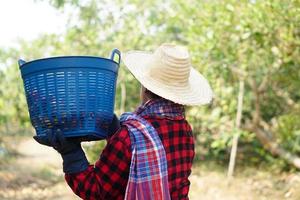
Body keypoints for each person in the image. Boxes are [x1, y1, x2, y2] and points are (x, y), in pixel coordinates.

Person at [34, 43, 213, 200]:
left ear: (145, 88)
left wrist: (71, 154)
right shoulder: (185, 130)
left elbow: (96, 190)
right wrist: (115, 133)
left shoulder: (129, 137)